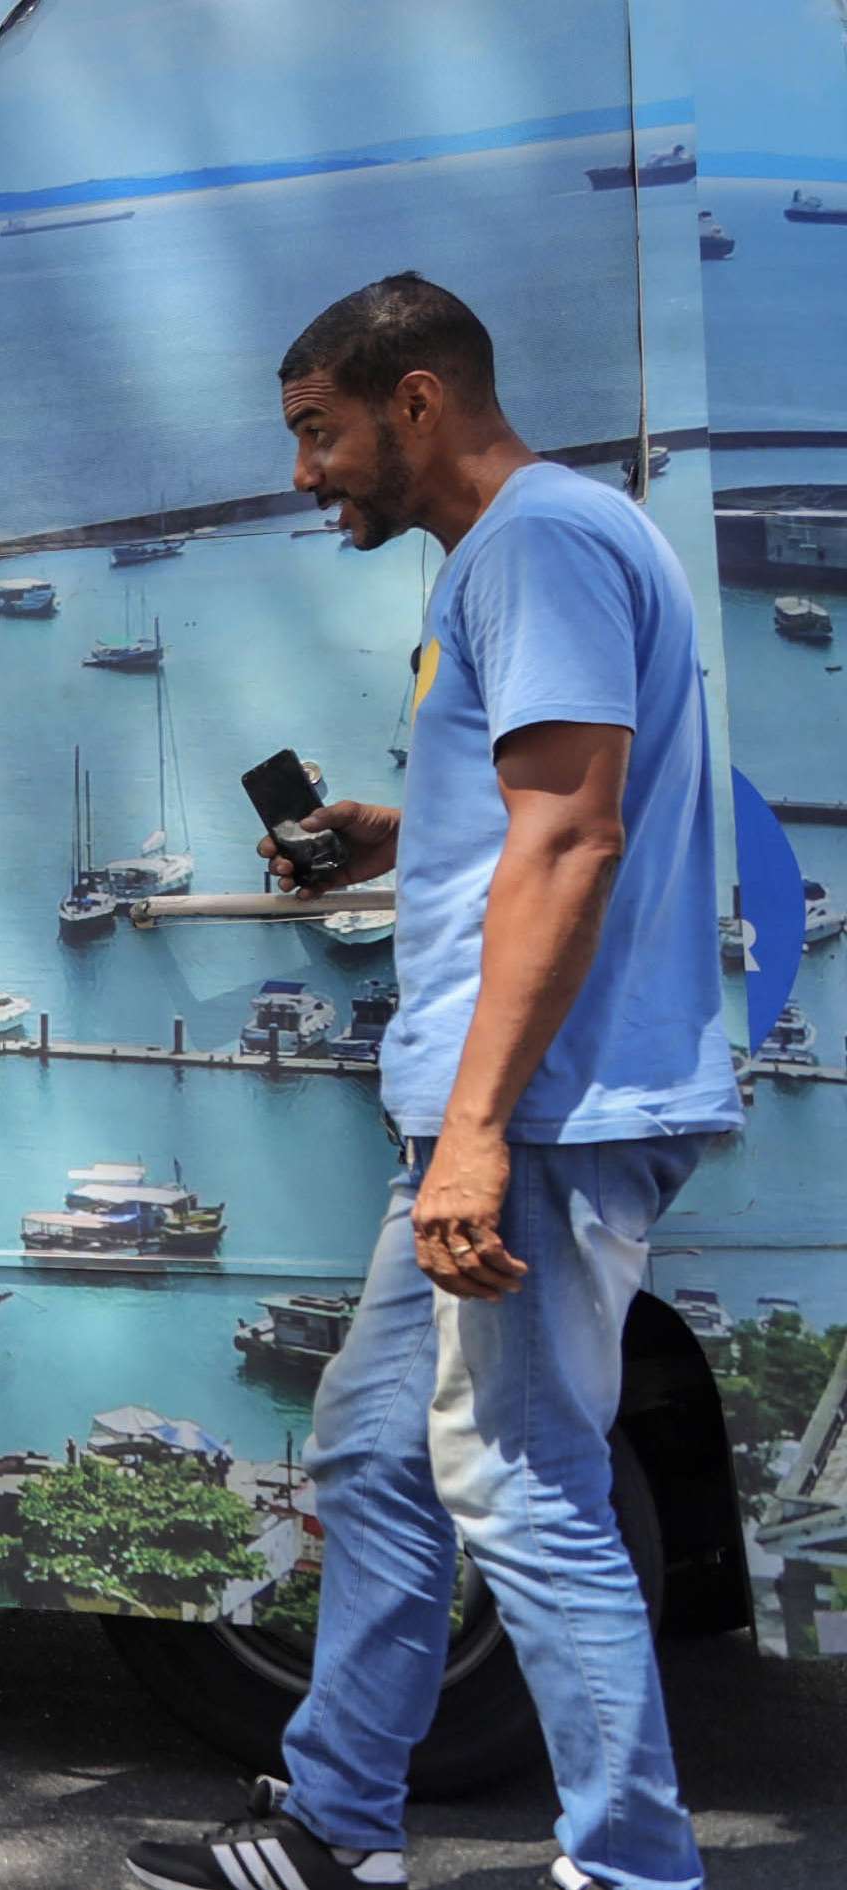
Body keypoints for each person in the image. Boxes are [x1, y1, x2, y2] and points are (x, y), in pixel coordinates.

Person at [126, 276, 737, 1890]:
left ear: (415, 402)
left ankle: (635, 1868)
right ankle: (337, 1828)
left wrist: (472, 1136)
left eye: (319, 434)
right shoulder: (533, 553)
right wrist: (397, 836)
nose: (306, 473)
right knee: (377, 1451)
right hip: (492, 1111)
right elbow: (542, 809)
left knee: (524, 1484)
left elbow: (571, 838)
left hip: (530, 1112)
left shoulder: (530, 544)